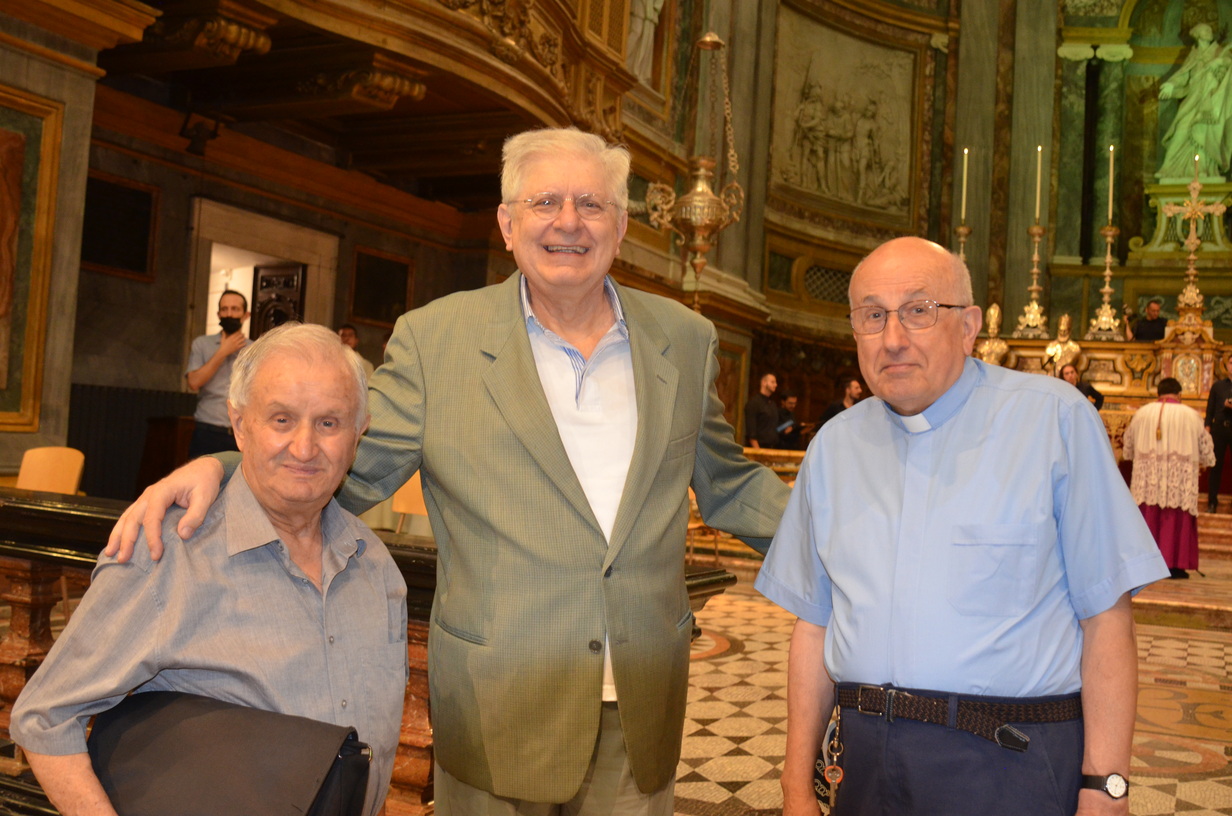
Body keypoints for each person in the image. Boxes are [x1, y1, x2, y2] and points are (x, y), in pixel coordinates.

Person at [106, 127, 790, 815]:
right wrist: (224, 466)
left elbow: (728, 481)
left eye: (591, 203)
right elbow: (348, 465)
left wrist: (836, 541)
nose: (568, 222)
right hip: (497, 701)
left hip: (641, 697)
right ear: (507, 224)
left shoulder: (684, 339)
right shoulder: (436, 339)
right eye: (545, 201)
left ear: (620, 226)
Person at [755, 236, 1167, 816]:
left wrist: (1106, 788)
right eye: (872, 316)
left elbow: (1106, 617)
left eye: (918, 311)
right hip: (864, 762)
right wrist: (796, 784)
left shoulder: (1054, 421)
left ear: (969, 326)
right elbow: (814, 625)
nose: (892, 338)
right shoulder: (834, 447)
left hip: (1008, 761)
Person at [11, 323, 407, 816]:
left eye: (329, 423)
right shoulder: (168, 553)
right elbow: (45, 717)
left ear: (358, 431)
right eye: (281, 419)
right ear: (239, 425)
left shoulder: (375, 568)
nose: (305, 448)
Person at [1124, 377, 1214, 580]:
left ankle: (1147, 566)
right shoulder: (1191, 415)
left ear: (1158, 393)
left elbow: (1128, 447)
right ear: (1179, 394)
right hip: (1178, 479)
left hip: (1149, 478)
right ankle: (1175, 565)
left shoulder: (1142, 413)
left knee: (1148, 515)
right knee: (1176, 517)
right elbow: (1207, 450)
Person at [1156, 23, 1232, 179]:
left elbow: (1228, 66)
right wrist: (1172, 84)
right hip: (1193, 98)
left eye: (1209, 30)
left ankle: (1203, 170)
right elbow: (1184, 74)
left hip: (1210, 100)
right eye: (1205, 30)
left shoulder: (1219, 52)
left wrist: (1219, 62)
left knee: (1204, 134)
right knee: (1181, 130)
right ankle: (1167, 168)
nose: (1209, 32)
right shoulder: (1194, 55)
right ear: (1197, 35)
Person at [185, 290, 249, 458]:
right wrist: (222, 352)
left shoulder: (255, 349)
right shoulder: (202, 344)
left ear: (245, 315)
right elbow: (194, 382)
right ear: (218, 314)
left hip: (242, 433)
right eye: (224, 309)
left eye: (235, 309)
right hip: (207, 430)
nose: (229, 314)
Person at [1204, 363, 1232, 512]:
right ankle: (1212, 502)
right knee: (1215, 466)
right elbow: (1210, 408)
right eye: (1231, 363)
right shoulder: (1218, 386)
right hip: (1219, 428)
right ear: (1227, 366)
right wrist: (1207, 427)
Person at [745, 372, 780, 448]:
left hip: (773, 447)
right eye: (772, 382)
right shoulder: (754, 403)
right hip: (759, 447)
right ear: (764, 382)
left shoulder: (772, 404)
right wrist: (758, 452)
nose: (775, 385)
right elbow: (751, 432)